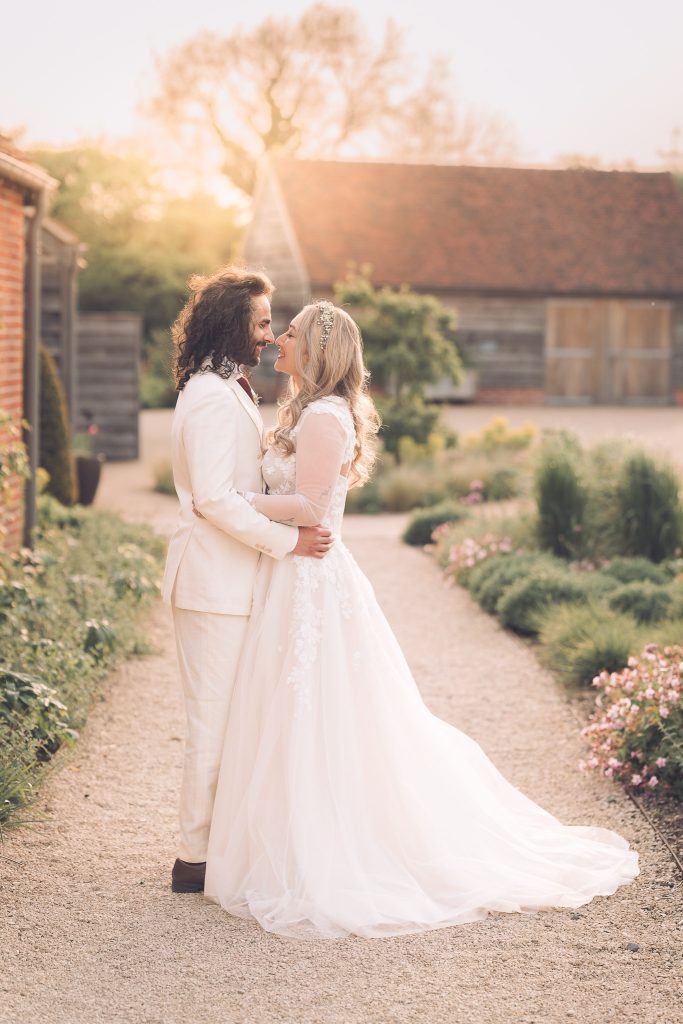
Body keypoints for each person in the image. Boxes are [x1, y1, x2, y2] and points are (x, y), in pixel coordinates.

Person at [203, 300, 638, 939]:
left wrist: (236, 501)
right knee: (288, 710)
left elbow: (313, 507)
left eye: (289, 333)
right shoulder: (305, 411)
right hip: (288, 574)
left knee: (313, 711)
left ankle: (320, 850)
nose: (278, 341)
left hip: (310, 581)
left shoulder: (323, 416)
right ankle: (282, 837)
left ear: (319, 350)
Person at [161, 267, 333, 895]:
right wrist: (291, 542)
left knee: (234, 720)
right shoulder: (208, 395)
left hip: (235, 582)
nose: (267, 334)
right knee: (211, 722)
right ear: (234, 323)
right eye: (262, 322)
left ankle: (219, 849)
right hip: (211, 586)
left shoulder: (226, 387)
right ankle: (193, 861)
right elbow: (213, 498)